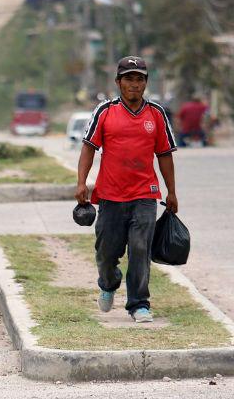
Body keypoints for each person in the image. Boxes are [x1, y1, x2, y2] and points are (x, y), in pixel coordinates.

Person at [76, 56, 178, 324]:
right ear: (118, 82)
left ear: (145, 82)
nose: (134, 84)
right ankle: (108, 284)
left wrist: (171, 191)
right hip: (110, 195)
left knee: (140, 248)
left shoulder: (156, 114)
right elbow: (88, 147)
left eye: (139, 79)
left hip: (145, 193)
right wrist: (81, 183)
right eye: (129, 79)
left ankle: (139, 304)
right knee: (106, 251)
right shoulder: (105, 111)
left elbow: (165, 154)